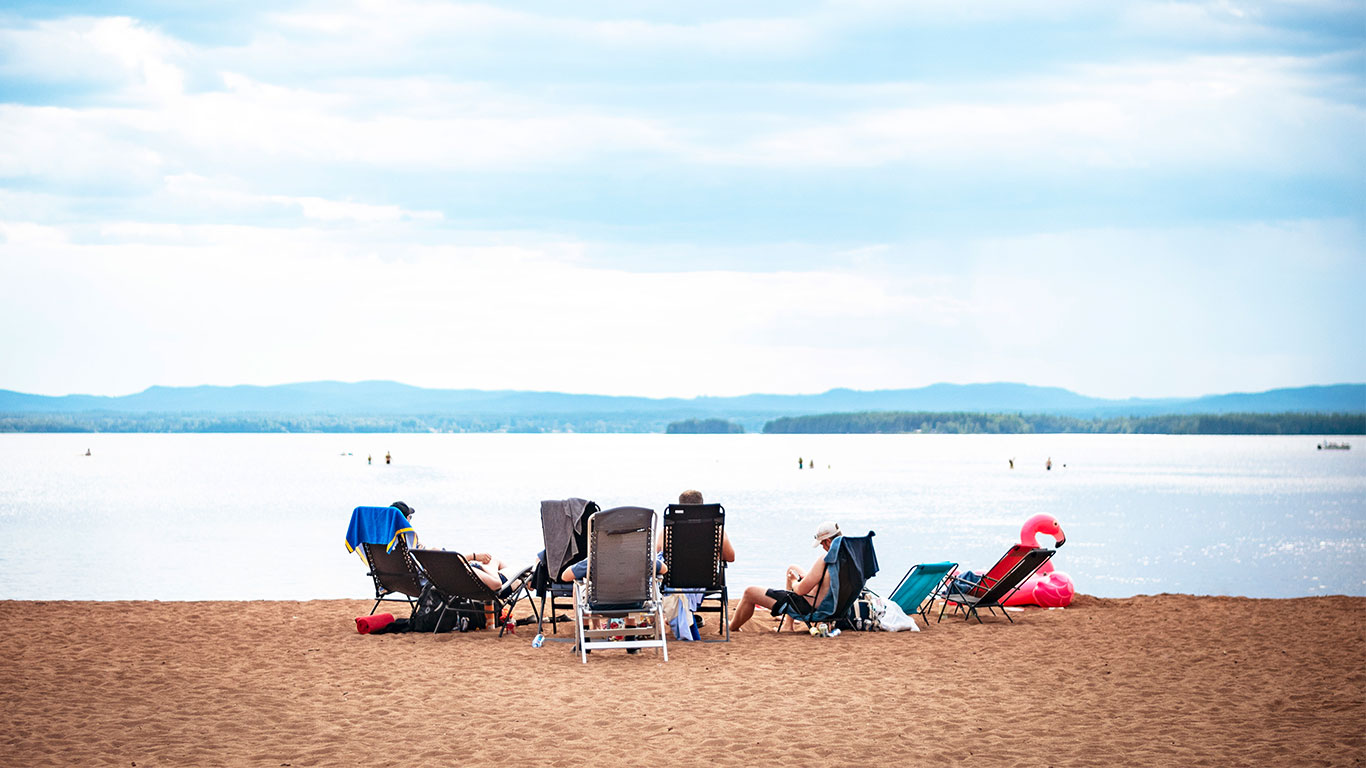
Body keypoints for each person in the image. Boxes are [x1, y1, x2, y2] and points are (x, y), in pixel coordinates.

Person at [728, 521, 841, 633]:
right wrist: (807, 578)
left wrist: (794, 581)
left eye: (822, 544)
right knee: (793, 568)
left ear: (828, 541)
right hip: (834, 606)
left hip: (810, 607)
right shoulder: (849, 558)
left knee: (750, 592)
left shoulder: (826, 559)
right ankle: (788, 624)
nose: (822, 547)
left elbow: (800, 590)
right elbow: (829, 581)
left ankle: (733, 627)